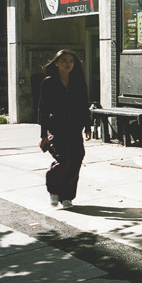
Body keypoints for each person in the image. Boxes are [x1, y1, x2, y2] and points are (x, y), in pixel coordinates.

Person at [38, 49, 92, 208]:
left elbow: (83, 106)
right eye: (64, 61)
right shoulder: (48, 82)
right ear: (56, 63)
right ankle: (54, 190)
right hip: (56, 127)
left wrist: (88, 126)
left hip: (75, 127)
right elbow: (43, 109)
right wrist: (43, 136)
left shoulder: (78, 82)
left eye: (71, 61)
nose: (68, 64)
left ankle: (67, 196)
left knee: (76, 159)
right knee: (63, 160)